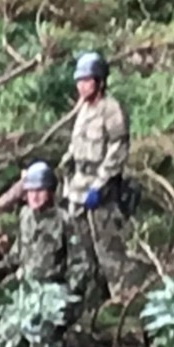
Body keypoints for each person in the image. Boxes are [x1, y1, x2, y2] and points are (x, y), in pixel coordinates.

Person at [62, 51, 132, 298]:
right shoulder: (83, 109)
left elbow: (118, 148)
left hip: (99, 189)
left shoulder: (110, 109)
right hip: (78, 187)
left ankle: (123, 302)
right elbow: (76, 146)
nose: (82, 86)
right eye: (79, 81)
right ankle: (95, 301)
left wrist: (100, 184)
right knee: (83, 252)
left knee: (110, 252)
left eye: (87, 80)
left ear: (100, 81)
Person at [0, 160, 89, 324]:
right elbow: (18, 250)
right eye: (30, 191)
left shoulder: (65, 221)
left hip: (53, 294)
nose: (35, 196)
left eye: (40, 190)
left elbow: (80, 263)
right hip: (26, 291)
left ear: (50, 192)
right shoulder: (25, 216)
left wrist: (67, 294)